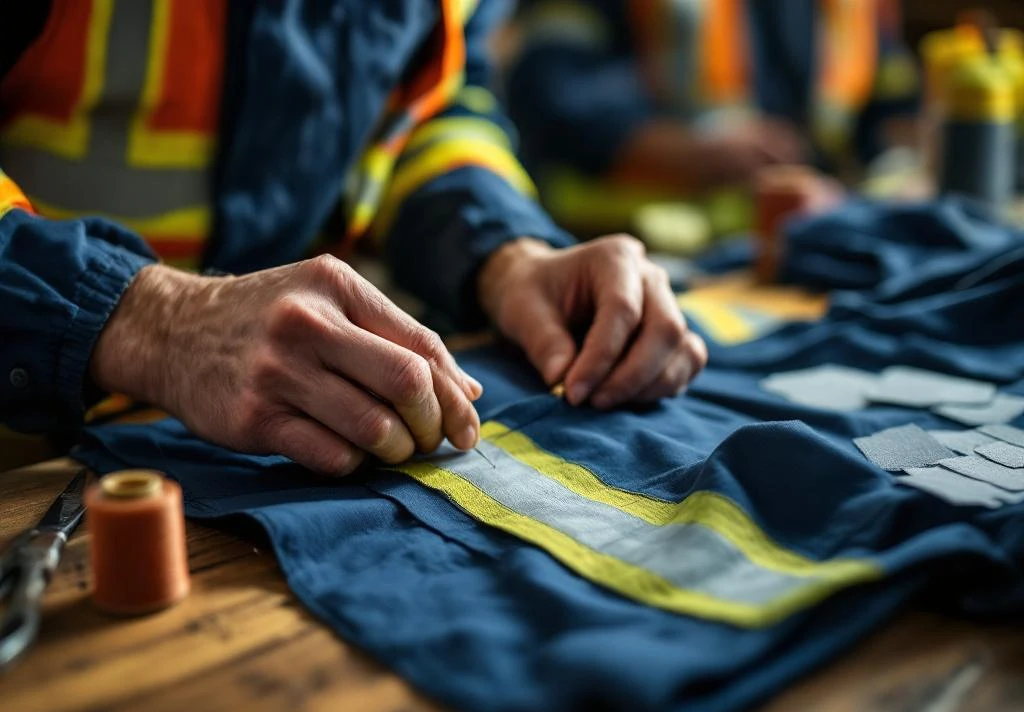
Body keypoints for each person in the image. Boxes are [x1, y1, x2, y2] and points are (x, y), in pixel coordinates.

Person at [0, 0, 707, 476]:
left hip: (265, 453)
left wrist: (508, 252)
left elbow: (426, 110)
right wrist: (151, 323)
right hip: (21, 455)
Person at [505, 0, 921, 234]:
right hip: (646, 251)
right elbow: (548, 95)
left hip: (810, 244)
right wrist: (694, 151)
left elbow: (891, 113)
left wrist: (884, 190)